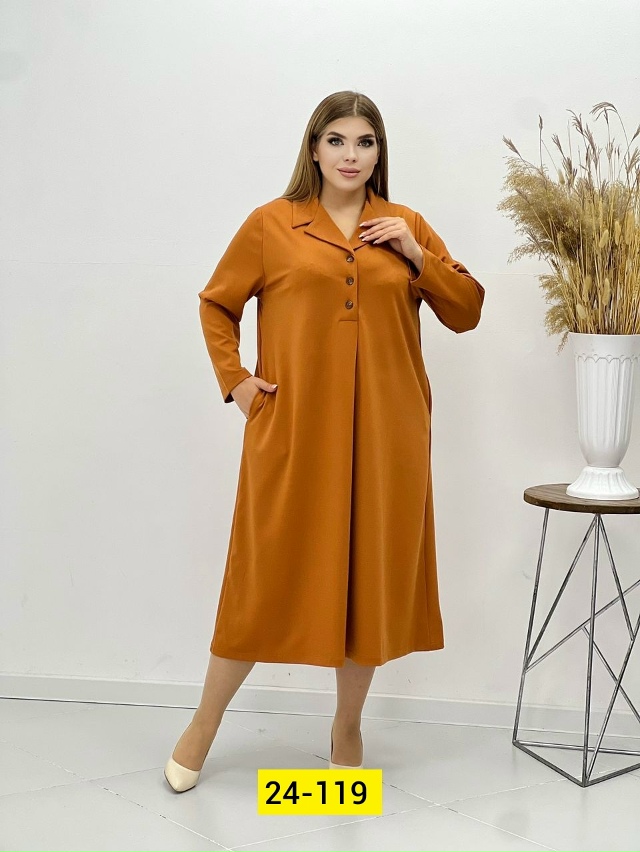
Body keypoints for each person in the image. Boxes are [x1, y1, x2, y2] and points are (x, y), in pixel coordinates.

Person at [164, 90, 485, 792]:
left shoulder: (405, 224)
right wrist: (238, 383)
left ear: (379, 152)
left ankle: (347, 726)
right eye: (336, 140)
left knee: (367, 579)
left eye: (365, 142)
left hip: (389, 434)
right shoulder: (271, 224)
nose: (350, 155)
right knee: (262, 578)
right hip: (294, 429)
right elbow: (217, 302)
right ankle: (204, 724)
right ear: (313, 148)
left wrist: (415, 255)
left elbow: (466, 312)